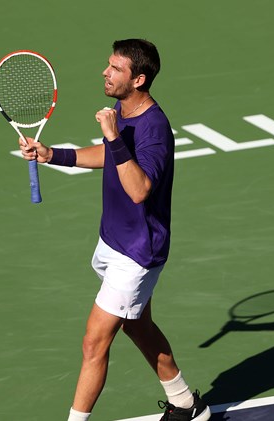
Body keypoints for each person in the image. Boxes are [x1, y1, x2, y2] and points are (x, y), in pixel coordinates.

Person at [19, 39, 211, 421]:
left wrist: (111, 135)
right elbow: (111, 156)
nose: (105, 73)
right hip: (113, 240)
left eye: (115, 69)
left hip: (137, 252)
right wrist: (52, 154)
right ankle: (188, 405)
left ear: (138, 79)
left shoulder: (155, 128)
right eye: (107, 65)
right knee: (138, 326)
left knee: (94, 343)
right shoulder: (123, 112)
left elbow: (139, 189)